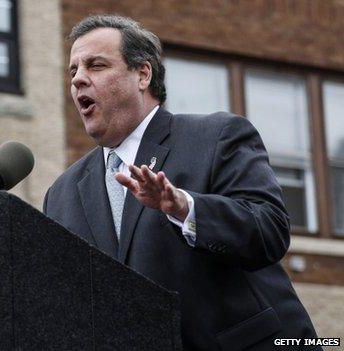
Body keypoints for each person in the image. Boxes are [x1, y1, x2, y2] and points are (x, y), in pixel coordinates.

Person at [43, 14, 318, 350]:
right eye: (73, 71)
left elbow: (269, 230)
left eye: (95, 66)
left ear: (142, 74)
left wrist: (186, 209)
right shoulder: (62, 194)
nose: (78, 80)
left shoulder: (216, 136)